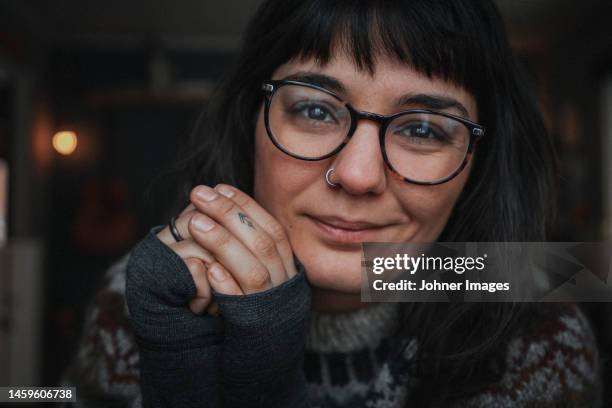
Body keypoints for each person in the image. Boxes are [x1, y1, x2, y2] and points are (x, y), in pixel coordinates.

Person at [61, 0, 602, 407]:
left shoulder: (538, 322)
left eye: (421, 128)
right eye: (317, 111)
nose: (359, 175)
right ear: (250, 120)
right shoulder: (137, 301)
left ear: (480, 160)